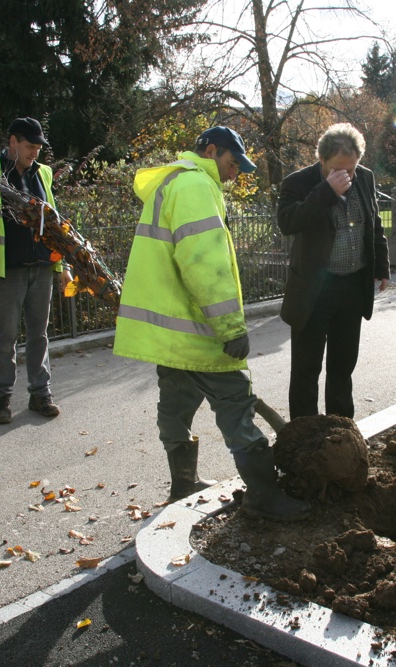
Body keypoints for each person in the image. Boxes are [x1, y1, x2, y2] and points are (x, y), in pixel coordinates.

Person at [113, 126, 309, 521]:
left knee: (176, 403)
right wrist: (231, 328)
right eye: (232, 164)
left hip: (170, 331)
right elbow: (205, 263)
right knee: (236, 403)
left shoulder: (171, 183)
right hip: (197, 328)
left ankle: (183, 484)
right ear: (212, 151)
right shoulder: (196, 186)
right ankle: (264, 497)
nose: (235, 174)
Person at [0, 117, 72, 425]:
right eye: (30, 146)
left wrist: (63, 266)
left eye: (38, 148)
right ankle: (1, 399)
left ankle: (40, 394)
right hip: (6, 269)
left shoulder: (43, 173)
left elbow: (55, 223)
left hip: (42, 266)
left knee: (39, 335)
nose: (35, 152)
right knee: (5, 337)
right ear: (13, 142)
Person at [277, 123, 390, 420]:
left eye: (351, 169)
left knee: (342, 368)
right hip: (314, 291)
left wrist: (382, 266)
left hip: (353, 287)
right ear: (321, 159)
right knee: (306, 369)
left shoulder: (366, 177)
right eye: (337, 170)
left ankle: (341, 432)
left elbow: (374, 223)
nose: (346, 176)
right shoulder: (298, 182)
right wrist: (326, 191)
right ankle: (305, 434)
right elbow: (287, 222)